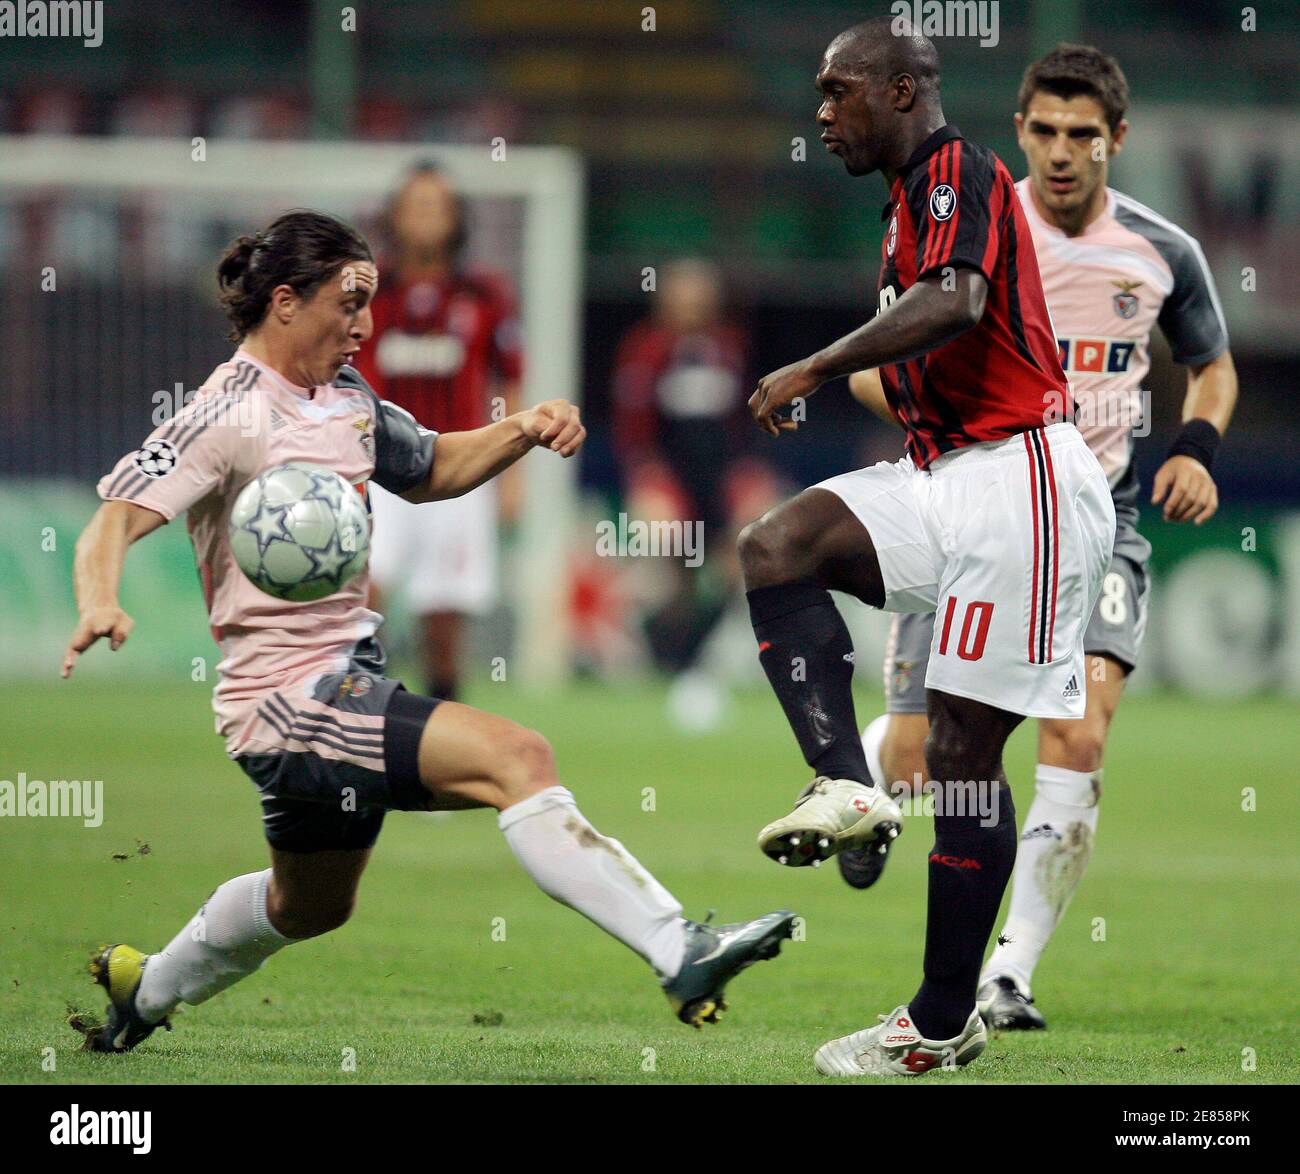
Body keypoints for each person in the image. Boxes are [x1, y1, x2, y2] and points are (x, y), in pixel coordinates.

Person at [63, 210, 795, 1053]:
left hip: (345, 676)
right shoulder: (226, 412)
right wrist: (97, 601)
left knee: (309, 907)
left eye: (369, 302)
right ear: (287, 301)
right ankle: (680, 949)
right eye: (349, 302)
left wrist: (520, 429)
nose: (365, 324)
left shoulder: (346, 399)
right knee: (518, 758)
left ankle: (143, 988)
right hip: (287, 698)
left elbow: (434, 466)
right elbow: (113, 518)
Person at [737, 19, 1115, 1077]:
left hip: (1020, 479)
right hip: (941, 474)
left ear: (901, 90)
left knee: (958, 757)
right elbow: (928, 326)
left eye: (836, 91)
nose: (821, 113)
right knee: (778, 545)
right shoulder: (907, 202)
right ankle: (844, 784)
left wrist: (811, 366)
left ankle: (944, 1016)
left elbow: (955, 303)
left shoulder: (959, 168)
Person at [840, 44, 1236, 1031]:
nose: (1062, 154)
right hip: (976, 513)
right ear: (1019, 129)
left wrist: (1194, 447)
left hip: (1100, 518)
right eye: (1045, 131)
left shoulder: (1162, 251)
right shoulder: (962, 225)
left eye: (1083, 136)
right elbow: (868, 362)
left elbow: (1212, 366)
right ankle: (859, 776)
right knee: (925, 754)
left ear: (1117, 141)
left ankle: (1006, 972)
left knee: (1080, 730)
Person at [354, 162, 521, 702]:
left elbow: (511, 380)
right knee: (362, 602)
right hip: (376, 469)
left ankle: (437, 740)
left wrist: (512, 475)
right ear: (394, 216)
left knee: (443, 624)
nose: (426, 218)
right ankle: (359, 721)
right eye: (415, 206)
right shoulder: (367, 290)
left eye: (438, 207)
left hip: (457, 469)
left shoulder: (484, 294)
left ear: (456, 220)